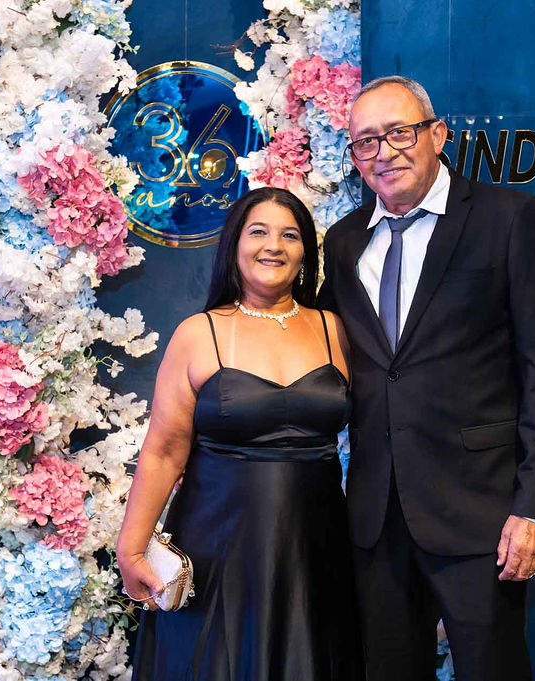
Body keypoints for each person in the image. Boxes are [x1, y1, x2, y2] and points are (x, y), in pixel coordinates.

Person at [317, 76, 535, 681]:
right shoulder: (344, 241)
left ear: (437, 135)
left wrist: (534, 510)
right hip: (376, 519)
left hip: (482, 514)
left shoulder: (508, 218)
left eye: (399, 133)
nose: (384, 152)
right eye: (366, 141)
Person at [117, 186, 363, 681]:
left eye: (290, 235)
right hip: (217, 548)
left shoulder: (335, 329)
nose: (273, 245)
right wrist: (132, 549)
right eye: (259, 232)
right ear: (234, 244)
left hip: (315, 547)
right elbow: (164, 451)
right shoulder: (198, 333)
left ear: (305, 252)